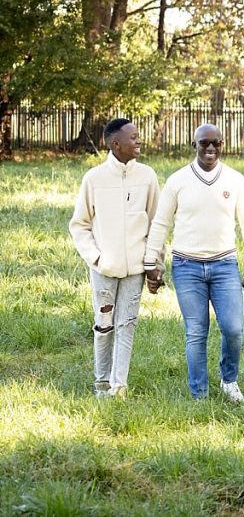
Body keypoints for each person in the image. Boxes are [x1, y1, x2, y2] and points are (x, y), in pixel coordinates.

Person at [143, 124, 244, 402]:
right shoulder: (177, 180)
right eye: (204, 144)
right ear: (194, 144)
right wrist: (153, 262)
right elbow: (161, 223)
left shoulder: (235, 180)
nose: (210, 149)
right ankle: (199, 392)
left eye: (216, 144)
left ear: (223, 145)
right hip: (187, 267)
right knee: (196, 331)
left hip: (224, 265)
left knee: (233, 329)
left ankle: (229, 380)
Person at [69, 119, 161, 398]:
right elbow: (79, 224)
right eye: (133, 138)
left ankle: (119, 385)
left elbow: (157, 224)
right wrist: (96, 259)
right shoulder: (94, 179)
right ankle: (101, 384)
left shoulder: (147, 176)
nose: (139, 141)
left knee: (127, 324)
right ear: (115, 144)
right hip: (103, 270)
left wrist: (154, 263)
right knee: (104, 325)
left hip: (135, 270)